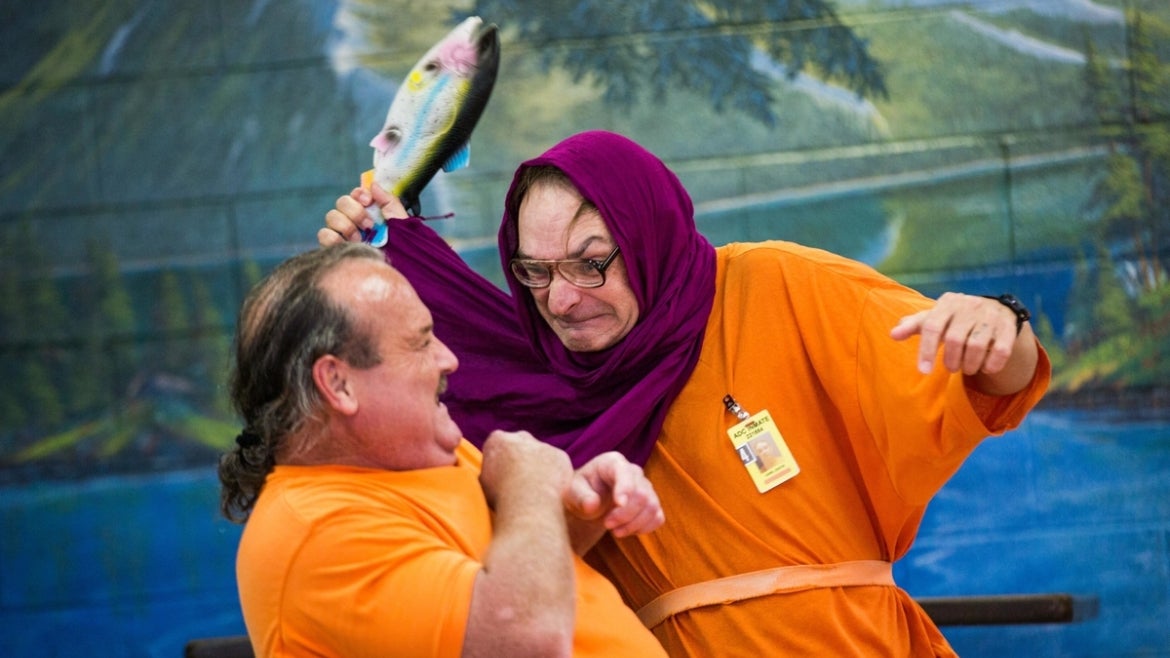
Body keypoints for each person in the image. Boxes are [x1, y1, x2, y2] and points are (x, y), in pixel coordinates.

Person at [319, 130, 1051, 656]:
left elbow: (985, 378)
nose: (563, 300)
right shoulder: (534, 380)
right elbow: (428, 353)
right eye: (534, 274)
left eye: (593, 262)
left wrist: (1001, 326)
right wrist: (377, 251)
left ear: (649, 235)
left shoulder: (776, 286)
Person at [217, 242, 669, 658]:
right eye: (420, 341)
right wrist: (530, 485)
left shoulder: (411, 453)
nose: (448, 359)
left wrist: (577, 509)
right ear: (338, 383)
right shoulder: (316, 534)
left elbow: (514, 572)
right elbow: (525, 641)